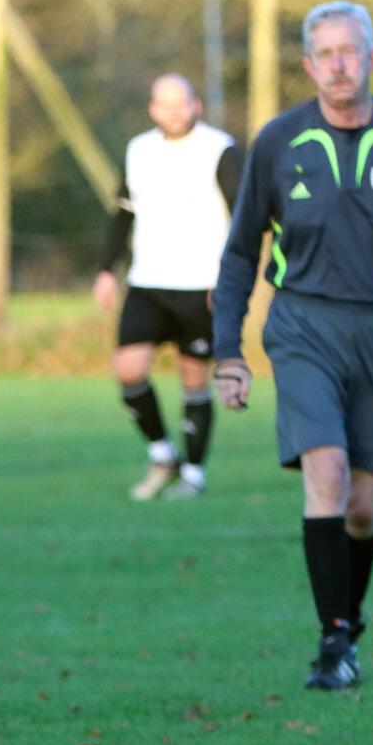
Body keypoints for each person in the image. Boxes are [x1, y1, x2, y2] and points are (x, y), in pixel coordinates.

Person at [212, 0, 373, 690]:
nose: (338, 65)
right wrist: (227, 351)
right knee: (326, 474)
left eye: (350, 51)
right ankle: (332, 645)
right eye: (325, 54)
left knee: (363, 506)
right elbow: (239, 255)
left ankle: (345, 626)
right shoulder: (277, 141)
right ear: (307, 65)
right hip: (303, 327)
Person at [93, 73, 240, 500]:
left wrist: (231, 279)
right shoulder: (139, 150)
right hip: (148, 282)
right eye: (165, 104)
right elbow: (123, 213)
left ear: (196, 104)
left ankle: (194, 473)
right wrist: (106, 270)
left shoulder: (221, 149)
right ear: (153, 109)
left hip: (203, 285)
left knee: (194, 379)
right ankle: (163, 453)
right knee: (128, 369)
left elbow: (243, 220)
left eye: (182, 103)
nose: (175, 112)